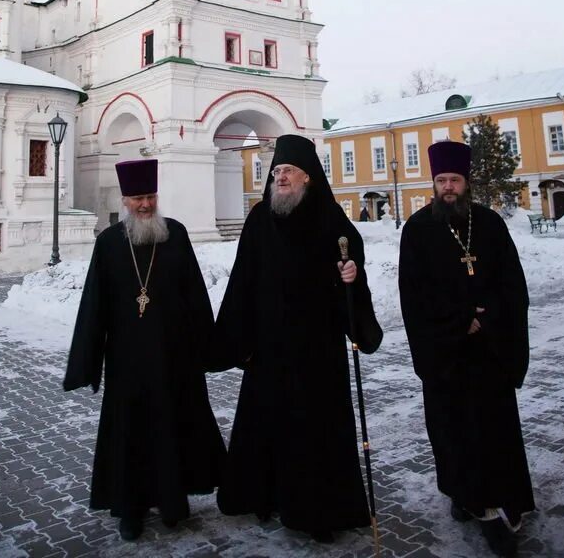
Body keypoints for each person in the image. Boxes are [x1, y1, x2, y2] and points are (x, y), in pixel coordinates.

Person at [212, 134, 383, 543]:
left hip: (316, 351)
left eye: (287, 171)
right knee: (267, 424)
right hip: (269, 348)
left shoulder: (333, 223)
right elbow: (242, 282)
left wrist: (351, 278)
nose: (280, 178)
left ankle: (319, 513)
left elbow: (351, 273)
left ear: (308, 177)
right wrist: (232, 338)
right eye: (275, 172)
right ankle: (264, 497)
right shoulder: (259, 219)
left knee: (315, 433)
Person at [63, 159, 225, 541]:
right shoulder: (108, 243)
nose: (145, 205)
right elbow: (94, 306)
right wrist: (88, 362)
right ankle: (130, 509)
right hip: (127, 362)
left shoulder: (177, 235)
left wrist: (211, 349)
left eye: (150, 196)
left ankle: (172, 502)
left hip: (175, 358)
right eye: (138, 198)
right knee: (130, 435)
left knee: (174, 428)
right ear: (125, 200)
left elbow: (196, 297)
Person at [398, 140, 535, 557]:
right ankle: (470, 500)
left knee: (494, 431)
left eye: (454, 180)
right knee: (454, 432)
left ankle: (499, 503)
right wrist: (460, 319)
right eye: (440, 180)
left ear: (467, 182)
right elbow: (413, 296)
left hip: (489, 351)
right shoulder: (419, 229)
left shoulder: (490, 224)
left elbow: (513, 283)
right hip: (447, 355)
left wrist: (487, 316)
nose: (447, 188)